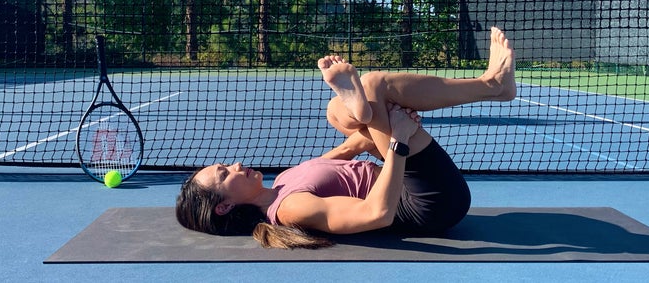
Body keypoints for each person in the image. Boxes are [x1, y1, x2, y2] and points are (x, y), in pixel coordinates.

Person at [176, 27, 516, 249]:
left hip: (402, 175)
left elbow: (354, 147)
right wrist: (398, 140)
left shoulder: (283, 181)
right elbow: (377, 213)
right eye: (224, 174)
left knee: (336, 111)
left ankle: (362, 107)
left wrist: (364, 122)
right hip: (428, 203)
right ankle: (493, 86)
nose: (235, 165)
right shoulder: (289, 208)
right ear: (225, 206)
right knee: (374, 86)